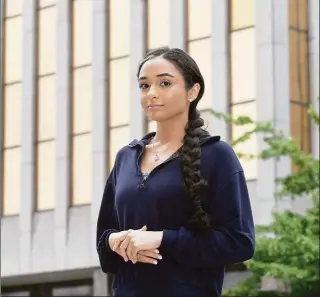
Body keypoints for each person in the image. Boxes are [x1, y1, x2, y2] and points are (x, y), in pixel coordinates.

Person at [96, 47, 255, 297]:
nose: (152, 94)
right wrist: (114, 241)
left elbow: (240, 242)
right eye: (144, 86)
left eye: (165, 83)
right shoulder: (125, 158)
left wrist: (162, 239)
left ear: (193, 91)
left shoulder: (217, 155)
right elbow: (104, 240)